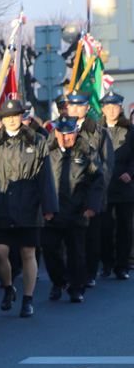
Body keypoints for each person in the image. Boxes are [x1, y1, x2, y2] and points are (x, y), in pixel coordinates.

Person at [0, 100, 58, 318]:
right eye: (7, 116)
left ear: (22, 116)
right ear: (2, 119)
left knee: (28, 252)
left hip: (29, 204)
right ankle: (8, 288)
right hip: (1, 204)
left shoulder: (37, 140)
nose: (11, 119)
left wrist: (49, 206)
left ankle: (28, 299)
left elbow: (45, 176)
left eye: (15, 115)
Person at [42, 116, 104, 302]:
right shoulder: (47, 151)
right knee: (50, 250)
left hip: (77, 211)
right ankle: (58, 281)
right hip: (52, 212)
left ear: (76, 132)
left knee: (77, 252)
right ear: (57, 133)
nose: (68, 137)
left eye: (71, 133)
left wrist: (93, 205)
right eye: (64, 133)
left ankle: (76, 288)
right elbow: (38, 179)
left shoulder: (87, 152)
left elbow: (98, 180)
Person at [67, 93, 114, 287]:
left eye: (80, 106)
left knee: (92, 237)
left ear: (87, 108)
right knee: (72, 239)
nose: (76, 109)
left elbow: (107, 165)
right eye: (72, 105)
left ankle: (90, 273)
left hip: (91, 194)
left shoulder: (99, 132)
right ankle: (72, 275)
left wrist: (99, 194)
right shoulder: (59, 130)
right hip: (68, 194)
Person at [98, 90, 134, 280]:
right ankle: (107, 263)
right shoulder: (96, 130)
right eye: (108, 107)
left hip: (124, 185)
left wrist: (130, 172)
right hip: (103, 186)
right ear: (103, 109)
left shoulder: (130, 130)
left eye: (115, 107)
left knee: (125, 228)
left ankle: (122, 265)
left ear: (120, 109)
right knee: (104, 227)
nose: (112, 111)